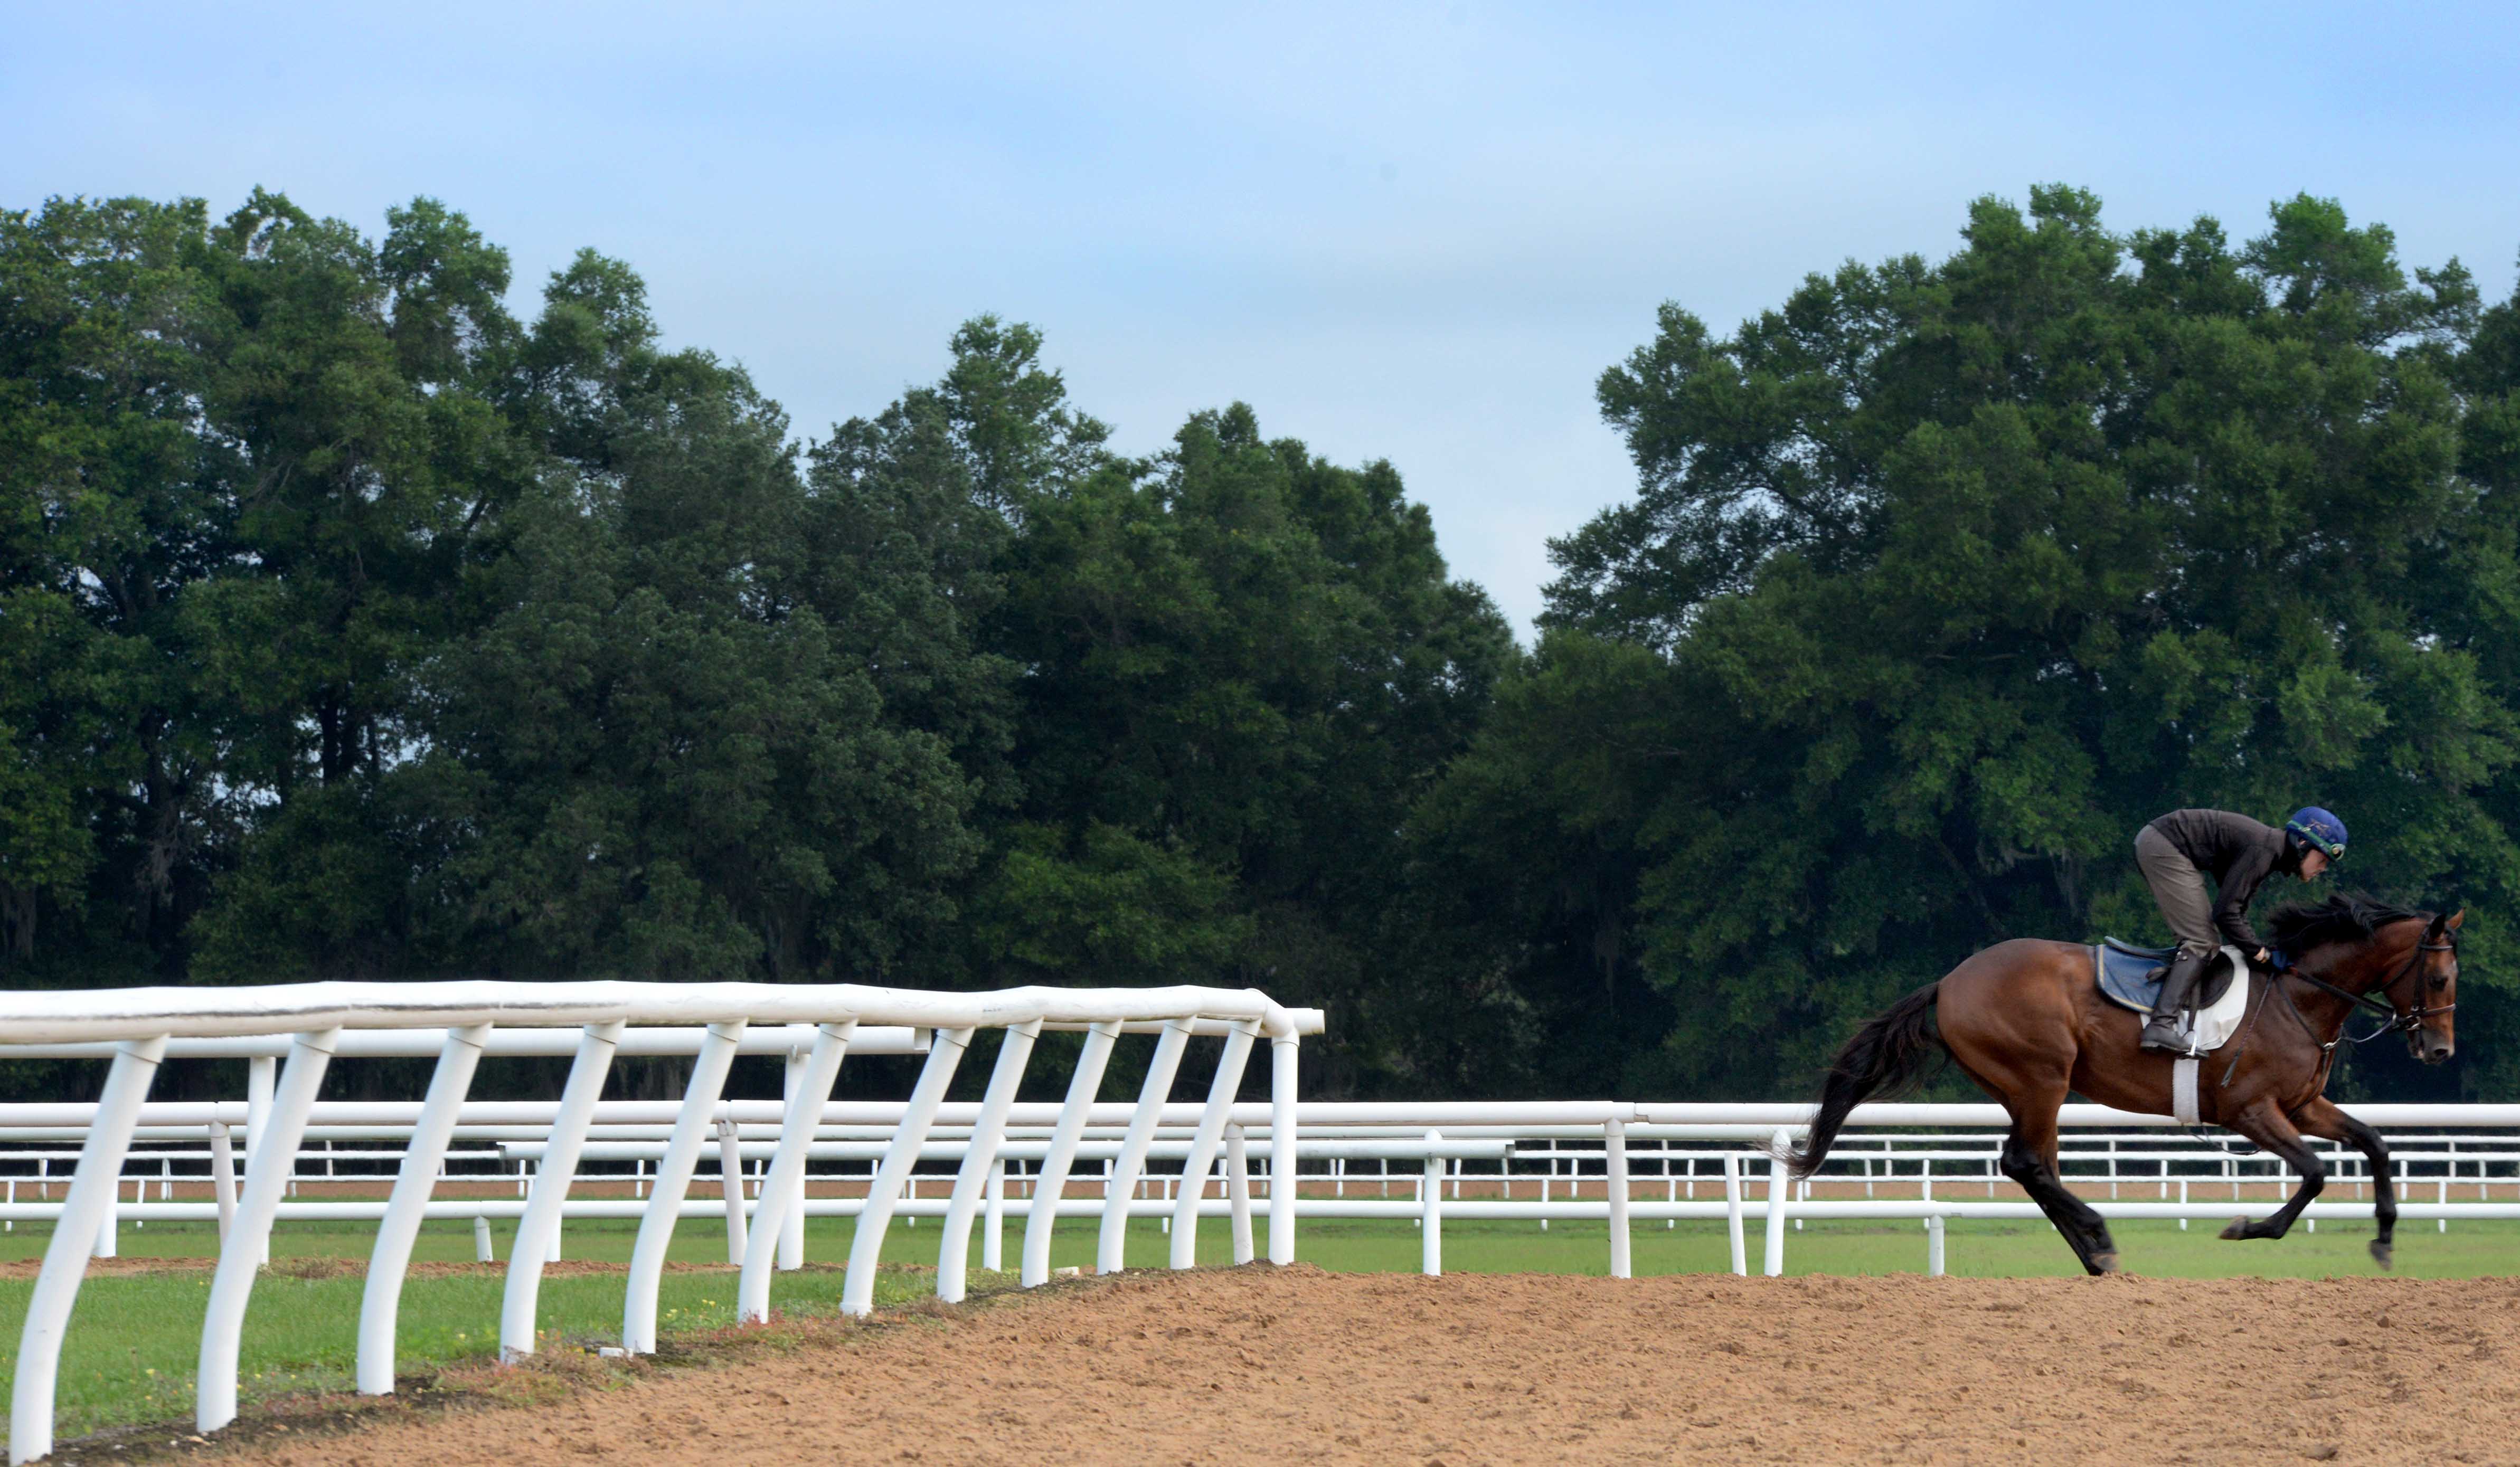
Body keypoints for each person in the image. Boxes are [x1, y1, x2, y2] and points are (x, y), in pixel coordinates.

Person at [2132, 806, 2346, 1052]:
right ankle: (2160, 1025)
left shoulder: (2269, 852)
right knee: (2202, 942)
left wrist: (2257, 950)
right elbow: (2225, 914)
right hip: (2163, 845)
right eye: (2322, 859)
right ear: (2302, 845)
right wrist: (2261, 954)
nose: (2323, 868)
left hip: (2162, 841)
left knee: (2207, 940)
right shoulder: (2263, 851)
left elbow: (2236, 909)